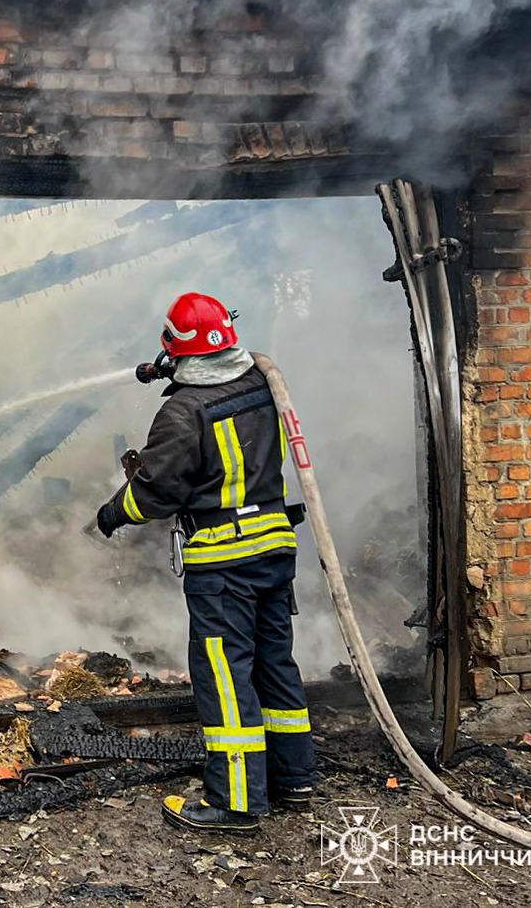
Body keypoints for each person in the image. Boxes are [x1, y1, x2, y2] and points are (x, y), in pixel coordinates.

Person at [95, 292, 316, 834]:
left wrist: (110, 513)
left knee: (225, 676)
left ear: (175, 346)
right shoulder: (263, 384)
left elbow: (155, 493)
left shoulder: (183, 411)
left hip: (223, 562)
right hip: (274, 547)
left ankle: (236, 803)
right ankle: (293, 778)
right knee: (274, 663)